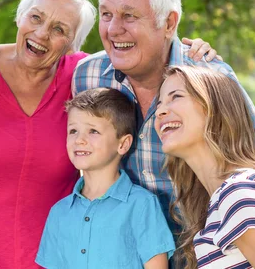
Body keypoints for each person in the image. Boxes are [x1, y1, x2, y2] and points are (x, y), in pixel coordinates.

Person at [0, 0, 217, 269]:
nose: (41, 34)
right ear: (20, 16)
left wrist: (192, 54)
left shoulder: (82, 76)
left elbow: (145, 54)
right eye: (36, 17)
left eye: (59, 30)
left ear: (72, 44)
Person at [72, 0, 255, 260]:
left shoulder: (207, 73)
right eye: (106, 14)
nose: (113, 29)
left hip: (207, 251)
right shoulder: (86, 76)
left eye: (129, 16)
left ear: (169, 23)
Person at [155, 66, 255, 268]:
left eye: (176, 97)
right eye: (159, 103)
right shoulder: (224, 197)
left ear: (214, 110)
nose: (160, 111)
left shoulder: (240, 192)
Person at [36, 88, 175, 269]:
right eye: (73, 131)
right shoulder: (59, 212)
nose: (79, 140)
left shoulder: (142, 204)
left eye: (93, 131)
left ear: (123, 144)